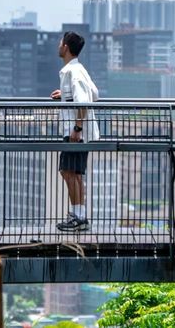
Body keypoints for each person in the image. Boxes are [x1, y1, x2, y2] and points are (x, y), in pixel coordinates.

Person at [50, 30, 100, 231]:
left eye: (60, 42)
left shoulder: (73, 72)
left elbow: (85, 101)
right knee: (75, 172)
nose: (58, 45)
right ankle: (80, 215)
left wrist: (77, 128)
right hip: (80, 131)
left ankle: (77, 216)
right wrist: (65, 94)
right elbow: (94, 94)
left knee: (67, 171)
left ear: (66, 47)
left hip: (75, 131)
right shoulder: (79, 70)